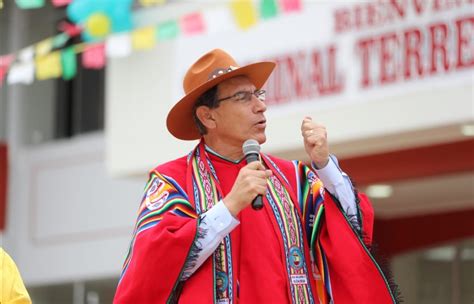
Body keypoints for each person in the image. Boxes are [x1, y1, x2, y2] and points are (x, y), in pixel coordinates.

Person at [113, 49, 399, 303]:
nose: (260, 106)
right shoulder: (171, 182)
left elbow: (354, 230)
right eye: (243, 97)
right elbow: (155, 271)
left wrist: (325, 166)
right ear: (208, 117)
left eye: (258, 94)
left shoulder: (293, 177)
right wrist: (229, 207)